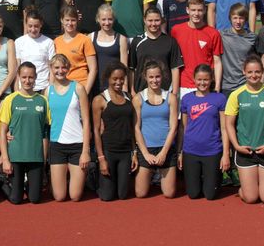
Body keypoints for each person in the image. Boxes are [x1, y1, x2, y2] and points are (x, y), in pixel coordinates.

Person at [225, 55, 264, 204]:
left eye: (257, 72)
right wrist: (236, 146)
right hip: (245, 152)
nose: (254, 75)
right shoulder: (236, 95)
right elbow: (229, 124)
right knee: (251, 198)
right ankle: (245, 190)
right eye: (250, 72)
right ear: (244, 72)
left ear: (262, 72)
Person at [0, 62, 51, 204]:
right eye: (24, 77)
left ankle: (28, 184)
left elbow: (46, 133)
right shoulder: (10, 100)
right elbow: (2, 131)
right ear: (19, 78)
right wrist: (5, 160)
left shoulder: (43, 100)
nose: (27, 81)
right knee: (16, 199)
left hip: (35, 156)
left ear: (36, 77)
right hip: (16, 156)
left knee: (35, 199)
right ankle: (2, 183)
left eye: (31, 77)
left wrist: (44, 160)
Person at [179, 64, 230, 200]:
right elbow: (183, 127)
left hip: (212, 151)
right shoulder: (186, 99)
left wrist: (225, 154)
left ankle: (211, 181)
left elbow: (224, 129)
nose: (202, 83)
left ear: (211, 79)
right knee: (193, 194)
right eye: (199, 79)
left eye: (206, 80)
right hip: (191, 151)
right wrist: (180, 152)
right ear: (194, 79)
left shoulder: (219, 98)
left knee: (210, 195)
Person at [46, 54, 91, 201]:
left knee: (75, 196)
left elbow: (86, 121)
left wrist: (85, 151)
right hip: (57, 146)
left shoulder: (78, 88)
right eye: (56, 67)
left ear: (69, 68)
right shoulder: (47, 91)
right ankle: (57, 180)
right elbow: (42, 120)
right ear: (51, 69)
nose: (60, 70)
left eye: (63, 67)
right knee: (59, 197)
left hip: (77, 146)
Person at [93, 61, 138, 201]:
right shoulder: (99, 100)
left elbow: (132, 127)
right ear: (108, 78)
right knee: (107, 197)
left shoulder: (129, 98)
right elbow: (95, 130)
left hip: (125, 152)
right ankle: (92, 179)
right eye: (115, 79)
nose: (118, 82)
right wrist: (101, 159)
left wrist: (134, 153)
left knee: (123, 195)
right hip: (108, 151)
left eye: (121, 78)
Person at [133, 61, 178, 198]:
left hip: (166, 149)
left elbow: (174, 127)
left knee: (169, 194)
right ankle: (151, 174)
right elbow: (136, 127)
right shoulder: (138, 98)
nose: (155, 80)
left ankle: (159, 175)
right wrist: (145, 154)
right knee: (140, 194)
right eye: (151, 77)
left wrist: (164, 152)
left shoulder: (171, 98)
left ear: (162, 77)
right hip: (147, 149)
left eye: (157, 76)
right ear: (145, 77)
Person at [171, 0, 223, 97]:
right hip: (183, 85)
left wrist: (217, 86)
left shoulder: (213, 33)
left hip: (206, 85)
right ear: (187, 10)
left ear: (204, 10)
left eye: (199, 10)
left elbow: (217, 62)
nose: (196, 13)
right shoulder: (176, 31)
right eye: (193, 10)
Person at [129, 7, 183, 95]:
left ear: (161, 20)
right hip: (141, 92)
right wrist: (132, 91)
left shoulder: (170, 41)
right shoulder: (136, 41)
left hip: (165, 92)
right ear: (144, 20)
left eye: (157, 20)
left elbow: (175, 68)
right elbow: (132, 69)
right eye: (150, 20)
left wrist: (174, 92)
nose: (153, 24)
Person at [54, 5, 97, 95]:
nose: (70, 23)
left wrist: (86, 92)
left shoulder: (85, 40)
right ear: (61, 20)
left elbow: (93, 69)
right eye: (67, 20)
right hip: (62, 87)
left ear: (77, 21)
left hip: (80, 85)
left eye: (73, 20)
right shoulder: (56, 41)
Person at [89, 4, 128, 95]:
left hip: (116, 86)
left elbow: (124, 65)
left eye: (110, 19)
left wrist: (125, 87)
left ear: (114, 20)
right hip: (96, 85)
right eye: (103, 19)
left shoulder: (121, 38)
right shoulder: (91, 37)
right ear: (98, 19)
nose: (107, 23)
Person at [220, 3, 256, 99]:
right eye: (235, 18)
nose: (238, 21)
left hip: (246, 85)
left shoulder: (252, 38)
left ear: (246, 19)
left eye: (241, 18)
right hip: (227, 86)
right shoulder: (222, 35)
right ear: (230, 19)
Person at [15, 10, 55, 93]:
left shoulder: (49, 42)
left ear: (41, 25)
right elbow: (16, 68)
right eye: (30, 26)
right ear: (26, 25)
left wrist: (50, 89)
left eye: (36, 26)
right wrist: (16, 89)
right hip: (23, 88)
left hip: (43, 87)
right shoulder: (19, 42)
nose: (33, 29)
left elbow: (52, 68)